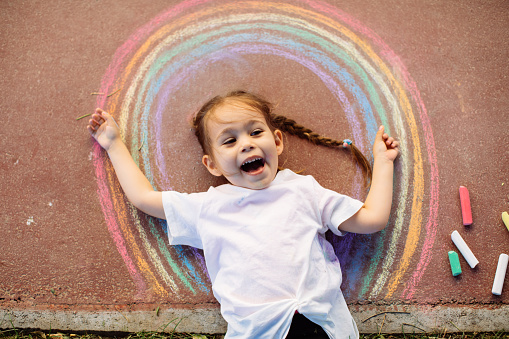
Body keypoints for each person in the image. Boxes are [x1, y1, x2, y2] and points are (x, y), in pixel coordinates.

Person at [87, 90, 399, 338]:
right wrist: (114, 145)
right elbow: (144, 198)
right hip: (257, 331)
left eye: (255, 132)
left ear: (276, 142)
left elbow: (372, 219)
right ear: (212, 165)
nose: (246, 144)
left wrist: (383, 163)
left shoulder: (304, 191)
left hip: (321, 324)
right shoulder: (208, 207)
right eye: (230, 140)